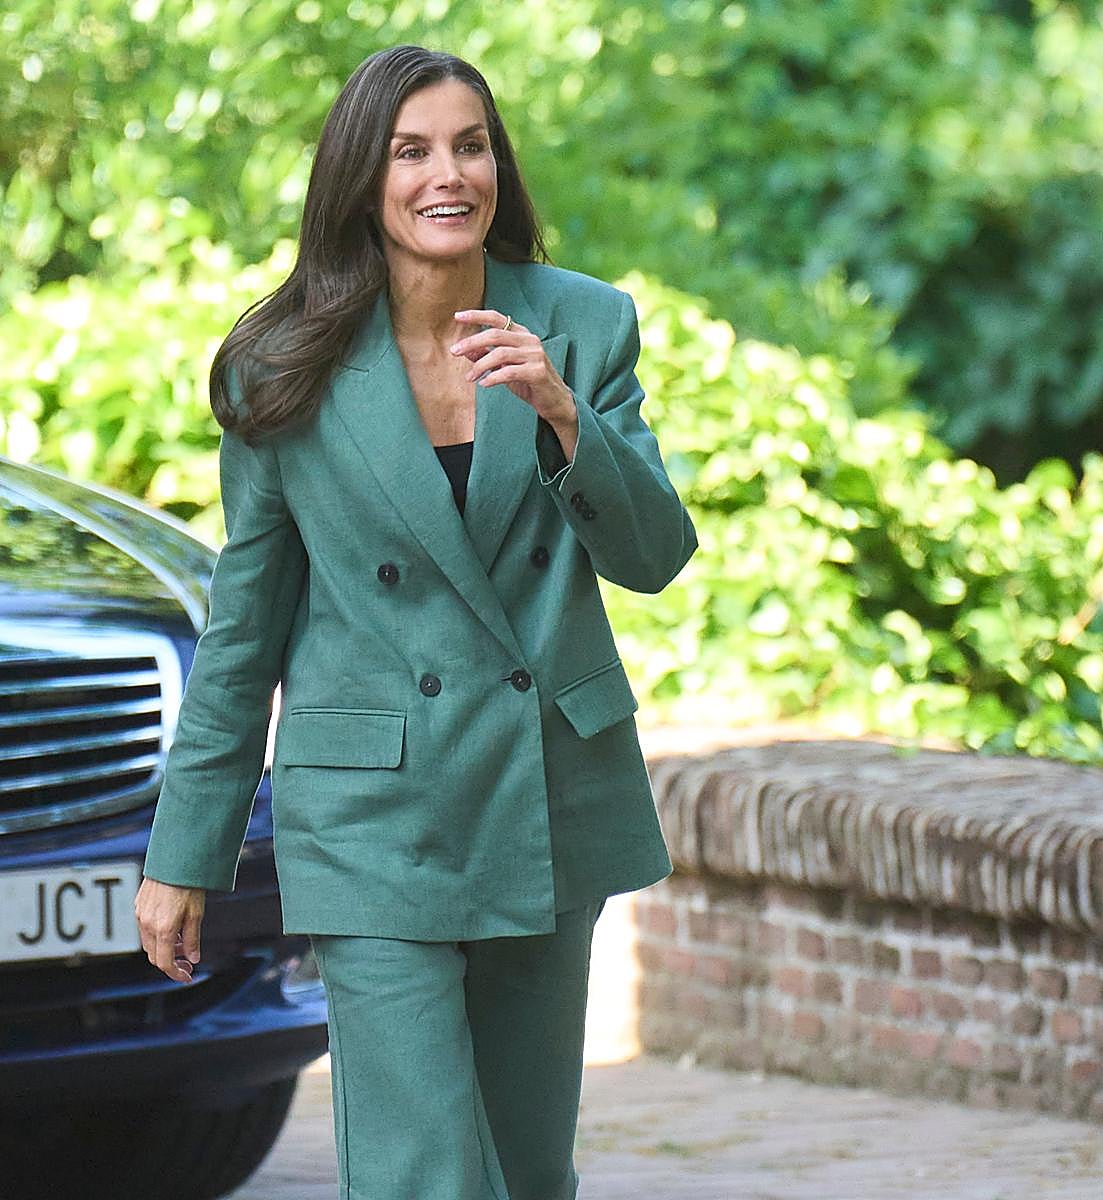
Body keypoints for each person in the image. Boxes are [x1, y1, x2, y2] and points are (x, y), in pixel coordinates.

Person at [134, 43, 698, 1200]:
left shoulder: (585, 326)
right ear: (363, 177)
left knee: (528, 1170)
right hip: (373, 815)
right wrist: (183, 852)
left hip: (544, 789)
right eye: (412, 150)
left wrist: (560, 414)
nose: (450, 174)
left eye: (472, 144)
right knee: (423, 1174)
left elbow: (653, 557)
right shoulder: (280, 366)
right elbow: (244, 632)